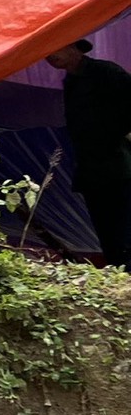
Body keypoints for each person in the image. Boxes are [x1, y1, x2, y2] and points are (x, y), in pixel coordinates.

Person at [51, 38, 131, 269]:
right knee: (107, 231)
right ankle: (118, 273)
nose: (49, 56)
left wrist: (121, 130)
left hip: (118, 166)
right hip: (90, 169)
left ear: (74, 47)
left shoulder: (105, 72)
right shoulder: (71, 81)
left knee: (124, 228)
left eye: (55, 47)